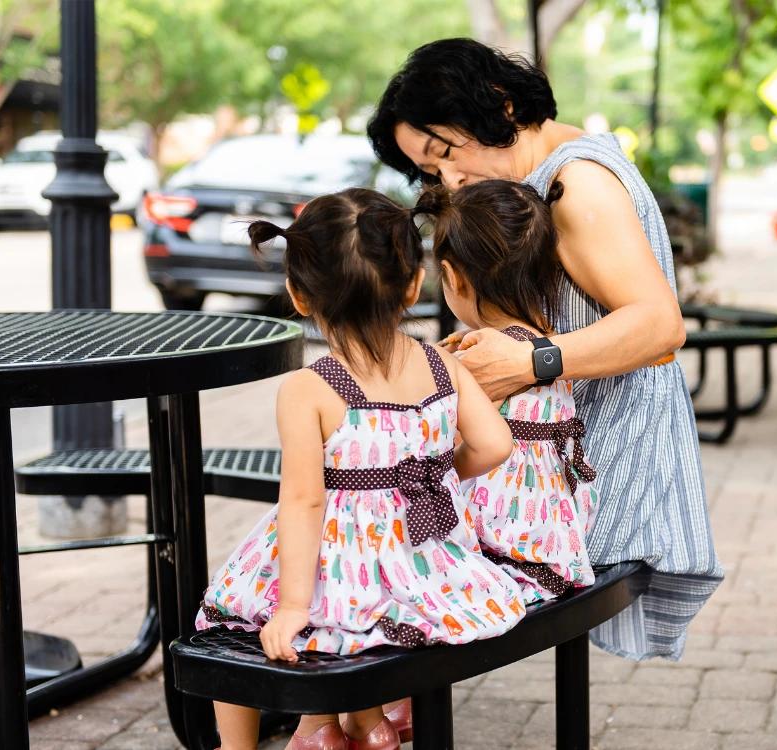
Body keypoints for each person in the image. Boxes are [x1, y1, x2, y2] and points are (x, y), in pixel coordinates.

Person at [368, 38, 723, 661]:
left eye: (446, 151)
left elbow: (661, 325)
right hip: (559, 458)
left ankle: (349, 694)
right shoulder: (546, 169)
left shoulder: (576, 185)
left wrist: (530, 361)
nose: (449, 179)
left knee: (376, 532)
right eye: (430, 172)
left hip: (603, 479)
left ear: (500, 106)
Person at [194, 188, 524, 750]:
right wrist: (432, 477)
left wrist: (294, 606)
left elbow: (303, 502)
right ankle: (365, 725)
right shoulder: (440, 361)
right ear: (414, 286)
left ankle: (242, 748)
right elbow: (495, 445)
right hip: (424, 563)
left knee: (227, 611)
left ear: (299, 295)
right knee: (349, 630)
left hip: (340, 564)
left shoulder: (308, 388)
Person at [415, 179, 598, 604]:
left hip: (500, 546)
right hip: (555, 538)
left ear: (451, 276)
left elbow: (445, 445)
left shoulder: (483, 356)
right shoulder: (551, 343)